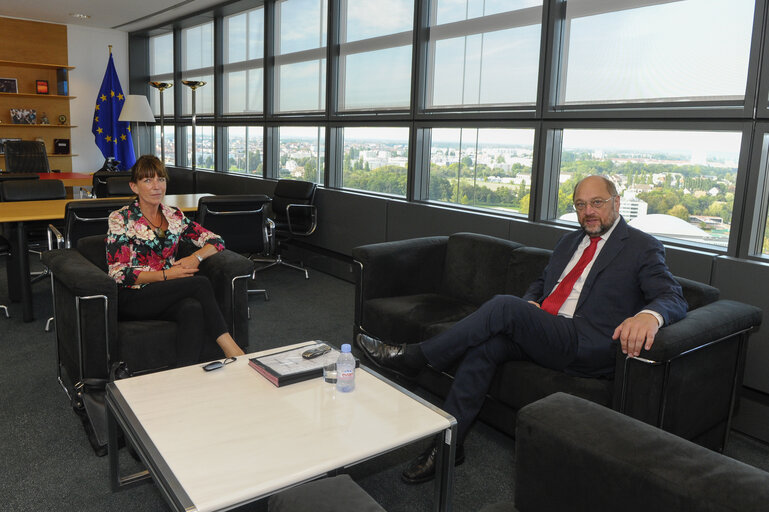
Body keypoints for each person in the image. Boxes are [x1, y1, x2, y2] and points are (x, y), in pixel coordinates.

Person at [356, 175, 688, 484]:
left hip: (586, 342)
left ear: (616, 202)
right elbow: (542, 283)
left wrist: (649, 316)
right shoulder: (569, 241)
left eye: (597, 203)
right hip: (547, 331)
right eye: (580, 205)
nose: (588, 212)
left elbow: (672, 295)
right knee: (485, 346)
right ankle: (449, 444)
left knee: (504, 305)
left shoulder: (641, 246)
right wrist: (531, 303)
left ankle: (416, 356)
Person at [106, 155, 245, 367]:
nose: (156, 186)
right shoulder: (121, 218)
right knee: (199, 283)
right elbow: (118, 273)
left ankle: (183, 374)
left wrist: (195, 257)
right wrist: (166, 275)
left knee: (192, 308)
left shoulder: (175, 216)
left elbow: (216, 241)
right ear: (134, 187)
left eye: (161, 179)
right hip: (132, 294)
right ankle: (231, 348)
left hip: (165, 291)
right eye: (147, 180)